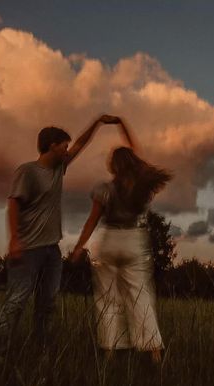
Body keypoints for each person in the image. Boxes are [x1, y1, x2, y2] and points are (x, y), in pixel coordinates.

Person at [0, 114, 120, 362]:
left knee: (47, 303)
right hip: (28, 249)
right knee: (16, 301)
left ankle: (41, 352)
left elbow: (82, 144)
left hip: (51, 251)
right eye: (64, 145)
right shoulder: (27, 171)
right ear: (52, 145)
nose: (68, 150)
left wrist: (98, 122)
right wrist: (14, 240)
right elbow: (13, 205)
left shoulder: (60, 168)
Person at [72, 118, 172, 362]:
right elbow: (135, 149)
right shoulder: (142, 186)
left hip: (108, 242)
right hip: (134, 241)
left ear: (113, 166)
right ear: (133, 163)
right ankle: (154, 354)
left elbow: (92, 221)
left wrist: (78, 247)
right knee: (141, 297)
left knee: (107, 299)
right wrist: (123, 124)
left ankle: (108, 353)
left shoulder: (104, 188)